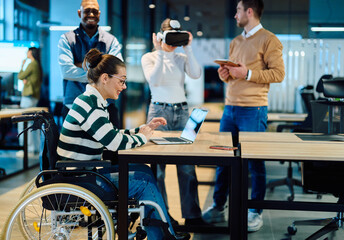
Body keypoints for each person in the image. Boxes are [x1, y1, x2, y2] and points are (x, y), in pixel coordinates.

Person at [57, 48, 190, 240]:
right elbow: (113, 143)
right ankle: (163, 235)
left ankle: (162, 232)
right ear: (105, 78)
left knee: (145, 171)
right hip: (82, 178)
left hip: (86, 172)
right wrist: (143, 138)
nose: (124, 86)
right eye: (121, 81)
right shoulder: (90, 104)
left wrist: (141, 130)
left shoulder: (94, 101)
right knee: (144, 183)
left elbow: (111, 134)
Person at [202, 0, 285, 232]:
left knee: (254, 162)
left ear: (249, 11)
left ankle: (254, 211)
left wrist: (246, 72)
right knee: (222, 160)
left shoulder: (269, 39)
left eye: (238, 10)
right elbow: (232, 76)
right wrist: (225, 74)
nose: (235, 15)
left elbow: (278, 74)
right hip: (230, 109)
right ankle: (219, 206)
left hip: (253, 109)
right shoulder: (236, 41)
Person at [141, 18, 206, 226]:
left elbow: (196, 74)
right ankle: (162, 216)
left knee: (187, 167)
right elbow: (155, 80)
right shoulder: (149, 57)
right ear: (160, 36)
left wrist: (189, 48)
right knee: (158, 169)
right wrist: (160, 51)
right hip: (159, 110)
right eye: (168, 36)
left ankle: (193, 217)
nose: (172, 41)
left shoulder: (181, 57)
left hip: (183, 111)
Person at [58, 0, 122, 128]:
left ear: (99, 13)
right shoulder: (66, 39)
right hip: (73, 106)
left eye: (94, 11)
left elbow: (117, 71)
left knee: (109, 147)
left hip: (105, 106)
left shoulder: (111, 40)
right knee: (73, 147)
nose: (91, 14)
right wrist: (101, 72)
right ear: (79, 13)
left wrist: (79, 65)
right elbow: (66, 71)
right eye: (87, 11)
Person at [17, 47, 42, 156]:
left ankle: (27, 149)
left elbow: (20, 76)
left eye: (27, 51)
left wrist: (22, 66)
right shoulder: (37, 64)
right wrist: (26, 81)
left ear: (31, 52)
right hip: (34, 96)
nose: (26, 53)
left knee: (23, 123)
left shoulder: (31, 64)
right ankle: (34, 148)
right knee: (32, 123)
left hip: (28, 96)